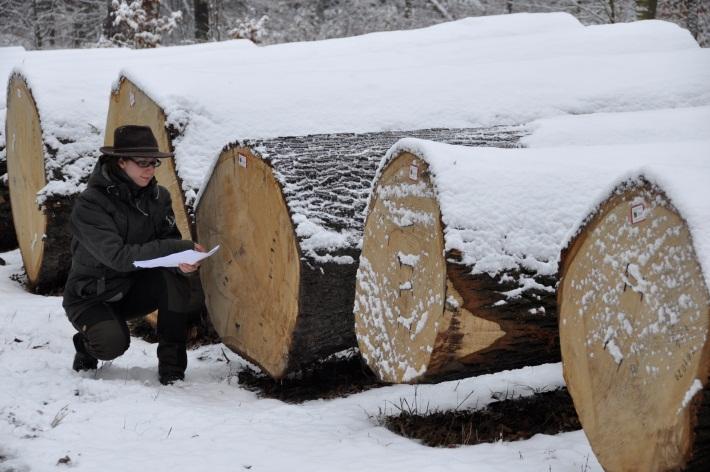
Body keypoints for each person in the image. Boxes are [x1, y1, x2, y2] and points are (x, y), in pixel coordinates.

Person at [63, 125, 204, 385]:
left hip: (131, 288)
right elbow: (117, 257)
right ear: (121, 162)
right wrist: (176, 249)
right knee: (112, 345)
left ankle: (172, 370)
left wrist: (181, 263)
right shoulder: (90, 204)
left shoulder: (159, 197)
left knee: (174, 280)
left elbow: (168, 242)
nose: (149, 169)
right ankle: (86, 345)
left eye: (153, 162)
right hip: (91, 296)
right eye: (141, 162)